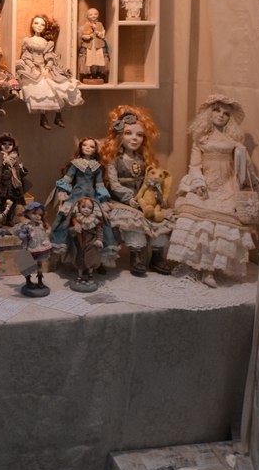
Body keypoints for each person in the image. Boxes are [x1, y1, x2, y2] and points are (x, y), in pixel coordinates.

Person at [167, 95, 259, 286]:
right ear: (208, 113)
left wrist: (252, 186)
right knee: (200, 223)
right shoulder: (201, 139)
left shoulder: (234, 140)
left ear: (230, 118)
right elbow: (195, 165)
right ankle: (198, 264)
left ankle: (209, 270)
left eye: (226, 113)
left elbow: (244, 167)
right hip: (205, 184)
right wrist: (198, 183)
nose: (221, 115)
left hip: (228, 184)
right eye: (217, 110)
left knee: (221, 225)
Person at [101, 105, 173, 277]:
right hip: (125, 202)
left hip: (145, 201)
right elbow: (114, 184)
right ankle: (137, 257)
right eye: (128, 133)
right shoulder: (115, 161)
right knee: (135, 226)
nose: (134, 138)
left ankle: (157, 258)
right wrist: (129, 198)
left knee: (159, 223)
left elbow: (151, 181)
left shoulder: (143, 159)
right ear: (119, 136)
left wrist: (156, 195)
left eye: (139, 135)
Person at [48, 137, 118, 267]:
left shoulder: (97, 166)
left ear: (95, 150)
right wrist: (63, 193)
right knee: (65, 220)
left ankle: (96, 260)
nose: (88, 148)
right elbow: (68, 179)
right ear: (80, 147)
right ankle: (69, 255)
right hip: (76, 196)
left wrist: (103, 200)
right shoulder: (76, 164)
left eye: (92, 146)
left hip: (92, 197)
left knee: (100, 222)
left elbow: (99, 185)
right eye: (85, 145)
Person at [15, 14, 83, 129]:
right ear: (32, 25)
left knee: (55, 87)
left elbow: (49, 57)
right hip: (33, 67)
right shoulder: (27, 41)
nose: (39, 26)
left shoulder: (47, 43)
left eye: (42, 24)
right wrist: (33, 68)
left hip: (45, 67)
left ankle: (58, 115)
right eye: (36, 23)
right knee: (40, 89)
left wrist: (47, 68)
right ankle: (43, 117)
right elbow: (26, 57)